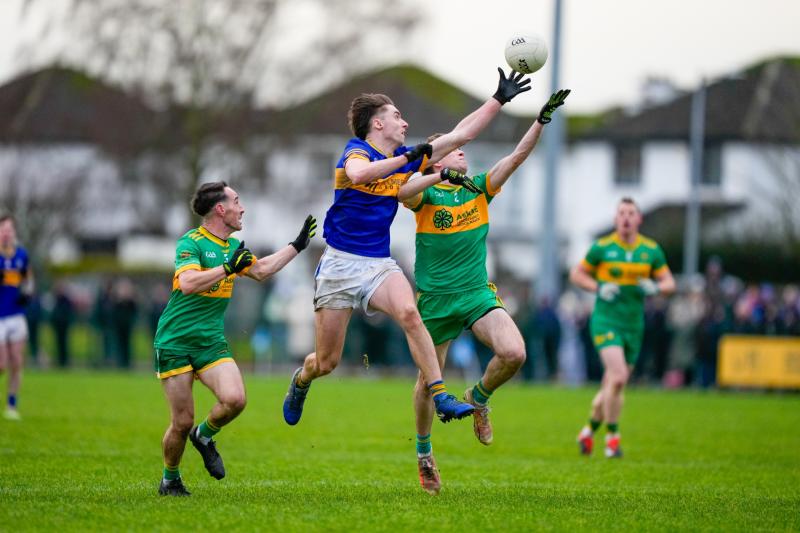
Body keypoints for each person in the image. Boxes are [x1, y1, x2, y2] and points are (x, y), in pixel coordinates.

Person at [282, 69, 532, 427]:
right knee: (326, 362)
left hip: (378, 264)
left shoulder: (407, 157)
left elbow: (464, 133)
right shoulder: (356, 152)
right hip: (339, 264)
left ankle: (441, 395)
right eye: (397, 116)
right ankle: (301, 380)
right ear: (377, 124)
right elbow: (359, 176)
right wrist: (407, 160)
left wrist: (499, 98)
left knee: (411, 314)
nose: (405, 121)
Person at [397, 89, 570, 494]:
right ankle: (424, 455)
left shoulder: (479, 188)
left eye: (462, 150)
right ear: (438, 160)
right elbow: (402, 192)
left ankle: (478, 398)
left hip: (475, 293)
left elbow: (515, 158)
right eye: (454, 150)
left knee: (515, 352)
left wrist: (540, 121)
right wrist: (437, 173)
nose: (462, 153)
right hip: (435, 301)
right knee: (426, 382)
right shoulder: (425, 193)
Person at [153, 181, 316, 497]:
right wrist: (227, 269)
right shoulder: (192, 242)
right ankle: (170, 479)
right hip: (175, 342)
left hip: (211, 341)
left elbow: (261, 270)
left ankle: (205, 436)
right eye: (237, 201)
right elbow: (187, 284)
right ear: (220, 209)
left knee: (235, 400)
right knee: (181, 422)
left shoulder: (233, 246)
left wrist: (296, 245)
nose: (242, 208)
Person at [570, 198, 675, 458]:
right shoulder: (602, 247)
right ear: (616, 219)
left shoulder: (651, 250)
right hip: (606, 321)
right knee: (617, 378)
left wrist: (657, 288)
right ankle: (613, 440)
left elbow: (670, 283)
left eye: (631, 213)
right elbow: (577, 274)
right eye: (621, 213)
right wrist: (598, 287)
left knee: (613, 386)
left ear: (639, 219)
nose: (626, 218)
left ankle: (587, 432)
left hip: (633, 325)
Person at [0, 215, 34, 420]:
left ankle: (12, 404)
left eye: (9, 228)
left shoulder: (22, 254)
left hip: (16, 315)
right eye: (3, 228)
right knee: (1, 364)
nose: (6, 232)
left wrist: (28, 292)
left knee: (17, 361)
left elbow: (29, 279)